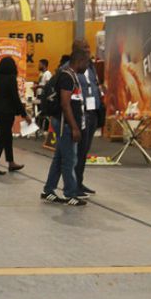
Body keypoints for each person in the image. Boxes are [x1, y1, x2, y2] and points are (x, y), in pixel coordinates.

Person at [41, 49, 89, 206]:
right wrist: (74, 127)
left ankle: (48, 190)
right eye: (86, 63)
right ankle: (70, 194)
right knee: (69, 159)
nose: (87, 66)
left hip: (65, 123)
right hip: (65, 124)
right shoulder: (68, 77)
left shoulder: (71, 75)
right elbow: (65, 104)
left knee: (59, 158)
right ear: (80, 61)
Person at [0, 57, 32, 175]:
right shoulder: (11, 78)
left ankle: (11, 162)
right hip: (6, 112)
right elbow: (15, 98)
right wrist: (24, 114)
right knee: (1, 139)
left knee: (7, 137)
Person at [75, 42, 102, 198]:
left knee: (85, 150)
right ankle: (73, 184)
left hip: (92, 112)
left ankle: (79, 181)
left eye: (88, 50)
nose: (88, 53)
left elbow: (94, 86)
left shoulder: (91, 67)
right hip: (80, 112)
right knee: (77, 151)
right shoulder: (71, 67)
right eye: (85, 50)